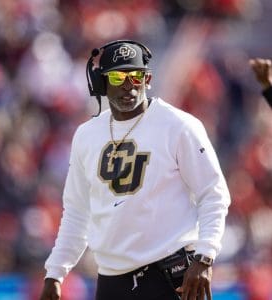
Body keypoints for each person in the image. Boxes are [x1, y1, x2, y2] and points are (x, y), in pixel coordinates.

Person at [39, 40, 231, 300]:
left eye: (136, 76)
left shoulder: (179, 125)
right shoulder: (86, 135)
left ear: (147, 78)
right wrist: (56, 272)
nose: (128, 85)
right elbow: (77, 211)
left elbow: (213, 194)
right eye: (118, 77)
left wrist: (205, 257)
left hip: (170, 273)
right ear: (101, 82)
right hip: (111, 279)